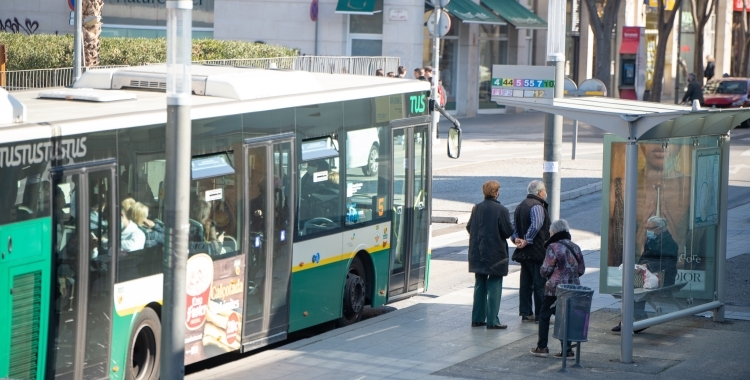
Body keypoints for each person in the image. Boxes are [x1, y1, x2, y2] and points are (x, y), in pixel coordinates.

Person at [612, 216, 678, 332]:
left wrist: (648, 266)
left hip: (663, 277)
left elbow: (667, 263)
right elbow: (645, 256)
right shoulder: (653, 239)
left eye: (649, 228)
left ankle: (635, 320)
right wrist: (640, 266)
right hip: (650, 275)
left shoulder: (669, 243)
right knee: (631, 287)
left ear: (659, 228)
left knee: (633, 289)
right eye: (646, 227)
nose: (647, 230)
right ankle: (632, 319)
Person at [530, 219, 585, 358]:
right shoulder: (575, 246)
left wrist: (548, 273)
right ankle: (567, 350)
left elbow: (545, 270)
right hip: (572, 289)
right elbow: (581, 269)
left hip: (554, 289)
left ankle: (542, 347)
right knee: (565, 316)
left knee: (544, 315)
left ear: (553, 232)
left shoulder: (553, 247)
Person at [466, 180, 514, 329]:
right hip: (495, 254)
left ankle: (477, 318)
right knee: (494, 285)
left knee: (479, 284)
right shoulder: (501, 210)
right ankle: (493, 320)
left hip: (477, 253)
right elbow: (508, 232)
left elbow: (469, 227)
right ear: (495, 192)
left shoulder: (477, 208)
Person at [512, 180, 551, 323]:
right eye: (544, 190)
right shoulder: (537, 207)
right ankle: (540, 315)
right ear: (540, 192)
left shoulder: (520, 206)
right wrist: (527, 240)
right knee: (539, 285)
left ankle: (526, 312)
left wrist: (516, 239)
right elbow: (535, 226)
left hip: (523, 253)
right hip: (536, 252)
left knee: (526, 284)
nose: (545, 193)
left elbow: (514, 227)